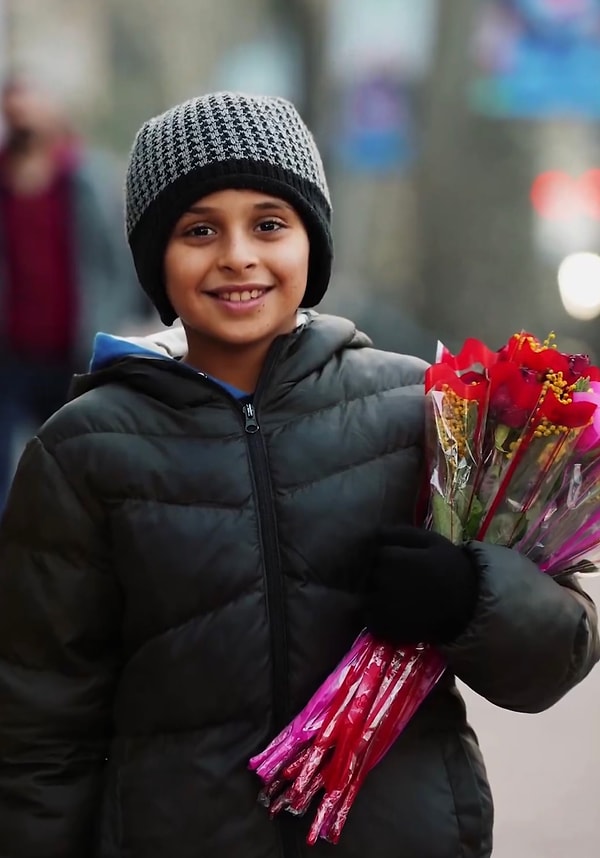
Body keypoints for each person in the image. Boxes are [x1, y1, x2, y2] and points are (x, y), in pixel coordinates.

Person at [0, 91, 597, 858]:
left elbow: (557, 655)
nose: (237, 254)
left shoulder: (420, 409)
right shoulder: (83, 448)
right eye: (198, 230)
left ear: (312, 242)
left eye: (270, 224)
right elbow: (37, 723)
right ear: (156, 259)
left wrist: (471, 595)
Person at [0, 75, 142, 509]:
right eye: (13, 110)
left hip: (74, 353)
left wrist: (113, 324)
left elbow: (118, 258)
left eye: (30, 108)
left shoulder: (86, 179)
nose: (22, 118)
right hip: (10, 358)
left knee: (74, 471)